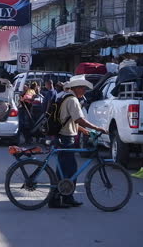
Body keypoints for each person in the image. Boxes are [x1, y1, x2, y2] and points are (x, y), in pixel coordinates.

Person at [48, 78, 108, 208]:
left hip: (63, 136)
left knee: (65, 169)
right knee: (68, 169)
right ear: (77, 88)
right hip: (66, 137)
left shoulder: (66, 97)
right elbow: (79, 119)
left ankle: (66, 197)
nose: (85, 91)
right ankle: (57, 198)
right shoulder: (73, 100)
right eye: (83, 88)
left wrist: (85, 131)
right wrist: (97, 128)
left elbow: (71, 121)